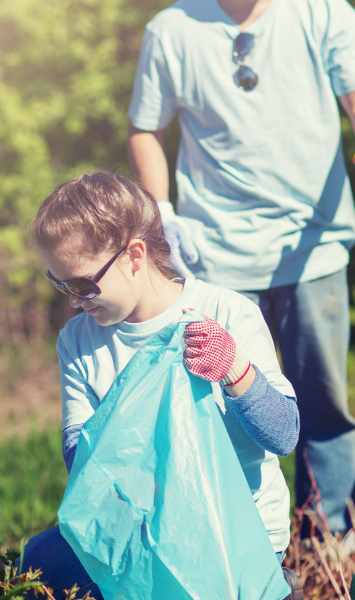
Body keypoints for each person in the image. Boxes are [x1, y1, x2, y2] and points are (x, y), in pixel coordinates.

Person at [126, 0, 355, 539]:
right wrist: (160, 209)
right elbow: (145, 129)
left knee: (323, 405)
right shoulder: (172, 30)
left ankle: (328, 544)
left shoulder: (323, 13)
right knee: (229, 408)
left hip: (313, 247)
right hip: (215, 255)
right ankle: (244, 542)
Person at [19, 172, 301, 596]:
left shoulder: (226, 312)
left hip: (236, 534)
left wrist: (236, 372)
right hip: (139, 531)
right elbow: (81, 460)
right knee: (38, 560)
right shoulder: (78, 341)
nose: (73, 299)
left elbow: (284, 435)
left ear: (134, 255)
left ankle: (271, 582)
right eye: (58, 282)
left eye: (80, 283)